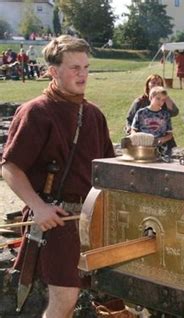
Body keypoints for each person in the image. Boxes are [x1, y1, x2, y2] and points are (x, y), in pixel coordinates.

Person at [1, 35, 115, 317]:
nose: (82, 74)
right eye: (74, 67)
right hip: (55, 219)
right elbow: (10, 167)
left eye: (86, 67)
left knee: (80, 296)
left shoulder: (94, 115)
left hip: (88, 220)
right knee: (64, 298)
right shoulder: (36, 112)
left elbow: (109, 169)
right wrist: (39, 208)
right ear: (53, 71)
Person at [131, 86, 178, 156]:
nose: (160, 102)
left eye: (163, 100)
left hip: (161, 149)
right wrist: (138, 139)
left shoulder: (165, 115)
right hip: (143, 148)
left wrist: (161, 140)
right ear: (151, 98)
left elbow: (169, 134)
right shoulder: (141, 113)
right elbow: (133, 130)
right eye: (158, 98)